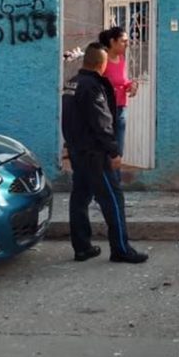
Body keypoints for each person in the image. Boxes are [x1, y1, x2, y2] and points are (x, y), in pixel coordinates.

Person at [61, 42, 148, 264]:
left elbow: (68, 120)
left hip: (78, 151)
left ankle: (82, 247)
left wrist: (68, 147)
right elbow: (102, 122)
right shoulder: (92, 86)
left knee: (80, 197)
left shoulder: (72, 83)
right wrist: (113, 150)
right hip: (94, 155)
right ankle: (121, 249)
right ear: (102, 63)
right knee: (113, 198)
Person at [98, 26, 137, 160]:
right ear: (113, 42)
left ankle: (116, 179)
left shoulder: (121, 59)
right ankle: (108, 179)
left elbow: (123, 81)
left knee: (118, 150)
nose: (127, 44)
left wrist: (132, 85)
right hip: (105, 110)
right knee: (106, 149)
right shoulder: (102, 58)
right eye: (123, 41)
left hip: (120, 108)